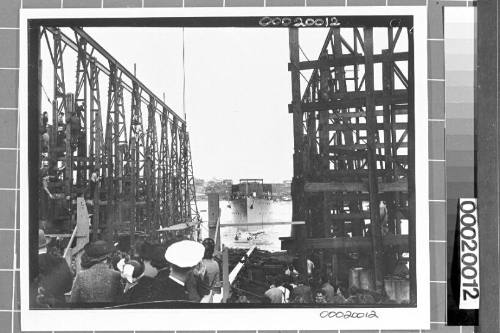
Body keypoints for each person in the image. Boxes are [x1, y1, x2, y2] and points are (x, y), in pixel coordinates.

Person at [33, 229, 73, 308]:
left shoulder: (29, 263)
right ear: (46, 244)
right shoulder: (60, 260)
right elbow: (68, 287)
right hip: (59, 307)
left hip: (37, 309)